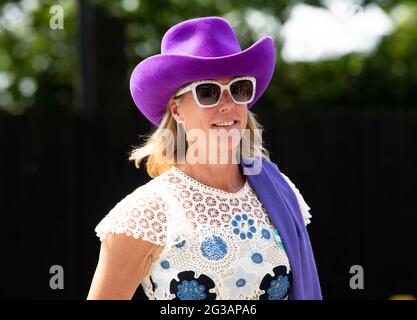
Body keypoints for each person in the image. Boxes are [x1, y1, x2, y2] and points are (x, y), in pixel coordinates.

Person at [87, 16, 321, 300]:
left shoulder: (280, 191)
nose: (228, 105)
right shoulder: (145, 213)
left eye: (239, 88)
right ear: (176, 110)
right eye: (208, 92)